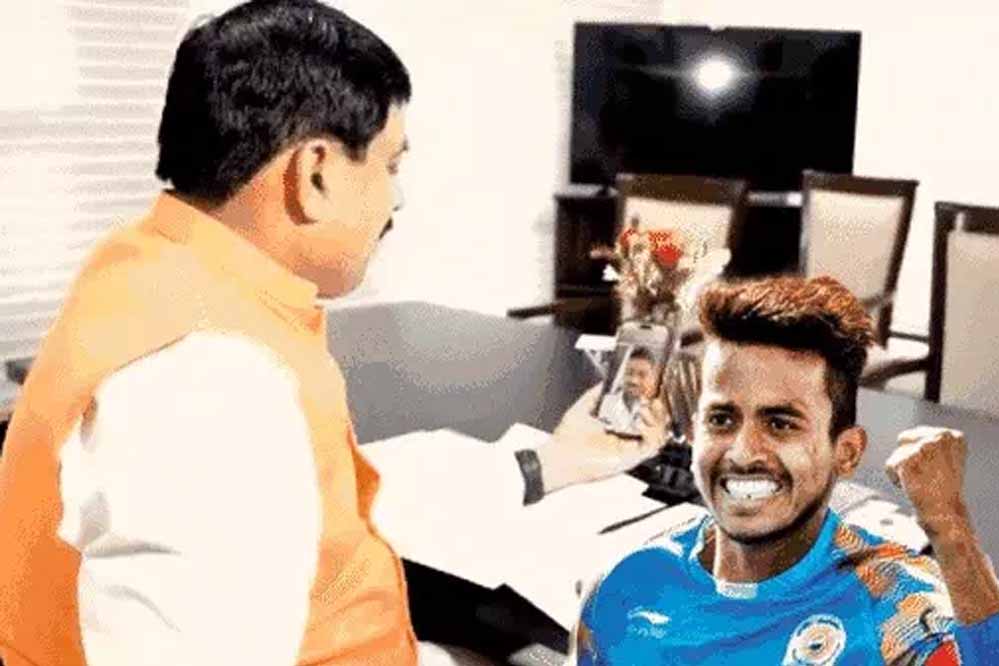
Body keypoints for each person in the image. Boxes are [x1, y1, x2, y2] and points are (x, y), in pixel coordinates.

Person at [0, 3, 663, 665]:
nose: (396, 200)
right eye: (390, 166)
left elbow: (312, 504)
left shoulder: (152, 268)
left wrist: (553, 463)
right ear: (315, 172)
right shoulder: (208, 380)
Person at [572, 276, 999, 664]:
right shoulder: (623, 589)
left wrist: (950, 527)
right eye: (721, 419)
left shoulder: (896, 613)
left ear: (847, 452)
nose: (743, 452)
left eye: (780, 424)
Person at [597, 346, 661, 433]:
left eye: (642, 375)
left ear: (651, 378)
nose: (634, 380)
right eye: (629, 373)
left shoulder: (655, 410)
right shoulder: (608, 402)